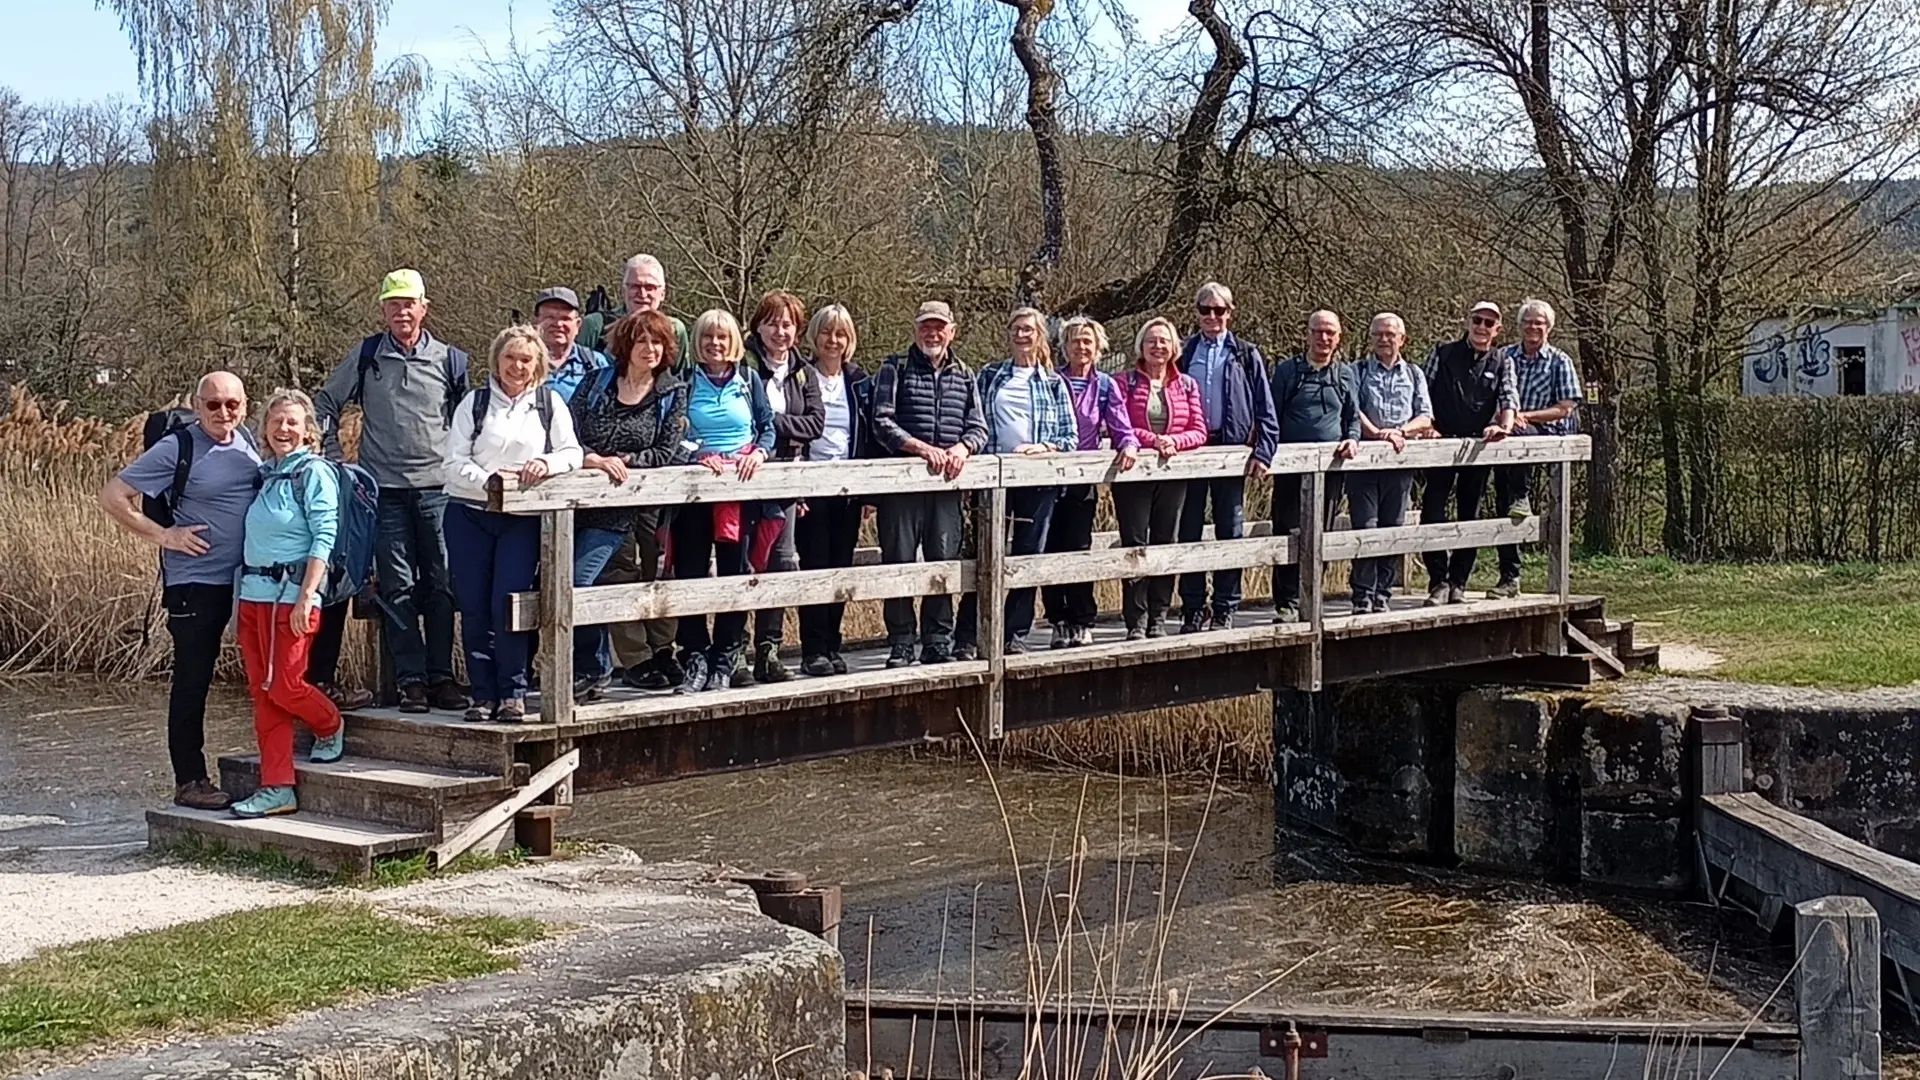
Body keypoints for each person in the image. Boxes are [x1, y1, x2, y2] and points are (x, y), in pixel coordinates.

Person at [98, 372, 261, 810]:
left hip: (248, 579)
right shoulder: (178, 446)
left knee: (269, 671)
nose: (223, 413)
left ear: (245, 405)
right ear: (196, 404)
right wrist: (165, 536)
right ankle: (190, 779)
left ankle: (280, 764)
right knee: (193, 679)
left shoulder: (247, 440)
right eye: (213, 405)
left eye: (232, 404)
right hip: (196, 582)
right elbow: (112, 496)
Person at [314, 269, 469, 715]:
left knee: (441, 585)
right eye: (394, 304)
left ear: (424, 307)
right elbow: (325, 403)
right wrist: (336, 458)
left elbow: (466, 421)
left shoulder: (450, 360)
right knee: (397, 587)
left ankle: (442, 676)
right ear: (383, 309)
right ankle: (411, 681)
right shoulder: (366, 356)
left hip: (439, 490)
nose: (402, 311)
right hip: (383, 493)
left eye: (409, 303)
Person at [443, 325, 583, 722]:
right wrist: (485, 480)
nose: (517, 366)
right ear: (497, 360)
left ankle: (513, 693)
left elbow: (572, 453)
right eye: (510, 358)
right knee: (473, 607)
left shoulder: (548, 403)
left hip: (522, 520)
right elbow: (451, 462)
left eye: (526, 359)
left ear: (537, 363)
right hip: (471, 515)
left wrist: (546, 463)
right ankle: (482, 694)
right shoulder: (475, 402)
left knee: (510, 605)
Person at [229, 390, 346, 818]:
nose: (283, 429)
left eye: (293, 422)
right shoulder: (265, 475)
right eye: (276, 421)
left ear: (308, 430)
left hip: (293, 597)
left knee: (285, 686)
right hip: (254, 596)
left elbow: (325, 536)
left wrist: (306, 596)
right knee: (263, 694)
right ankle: (277, 786)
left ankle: (329, 723)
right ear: (263, 429)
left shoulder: (314, 473)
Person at [568, 311, 689, 701]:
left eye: (657, 342)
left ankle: (626, 661)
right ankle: (602, 666)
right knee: (587, 582)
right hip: (584, 505)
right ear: (626, 345)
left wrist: (625, 461)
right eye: (642, 341)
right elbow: (565, 435)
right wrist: (591, 459)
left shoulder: (671, 392)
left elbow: (666, 451)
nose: (650, 349)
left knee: (637, 579)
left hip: (641, 507)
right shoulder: (596, 382)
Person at [870, 300, 989, 668]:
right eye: (925, 326)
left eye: (939, 327)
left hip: (946, 487)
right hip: (902, 486)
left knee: (943, 562)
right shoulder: (895, 368)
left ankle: (938, 639)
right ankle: (902, 642)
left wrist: (961, 448)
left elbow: (979, 427)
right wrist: (921, 449)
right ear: (915, 329)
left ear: (952, 331)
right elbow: (882, 421)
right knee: (900, 563)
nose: (932, 333)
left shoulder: (966, 374)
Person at [955, 307, 1077, 655]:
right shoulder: (991, 375)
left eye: (1029, 330)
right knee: (982, 554)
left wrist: (1044, 447)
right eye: (1016, 329)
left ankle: (1013, 634)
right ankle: (968, 635)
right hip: (992, 477)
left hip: (1037, 480)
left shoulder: (1054, 382)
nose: (1022, 335)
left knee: (1028, 556)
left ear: (1041, 336)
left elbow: (1069, 437)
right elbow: (973, 423)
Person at [672, 309, 777, 694]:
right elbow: (674, 435)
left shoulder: (749, 381)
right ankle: (695, 656)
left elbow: (768, 428)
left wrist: (759, 455)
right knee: (691, 573)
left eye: (721, 337)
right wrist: (698, 455)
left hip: (740, 492)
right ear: (697, 342)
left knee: (736, 573)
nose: (714, 344)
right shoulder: (683, 384)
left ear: (733, 342)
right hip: (695, 492)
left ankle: (725, 658)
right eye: (706, 337)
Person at [1176, 282, 1279, 632]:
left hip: (1231, 452)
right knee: (1187, 530)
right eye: (1205, 310)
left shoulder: (1245, 353)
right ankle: (1192, 606)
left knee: (1230, 530)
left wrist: (1264, 451)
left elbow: (1265, 406)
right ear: (1197, 313)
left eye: (1219, 310)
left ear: (1230, 313)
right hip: (1191, 451)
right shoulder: (1184, 353)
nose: (1212, 317)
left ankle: (1224, 606)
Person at [1041, 316, 1138, 648]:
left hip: (1083, 478)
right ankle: (1058, 620)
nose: (1081, 347)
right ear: (1064, 347)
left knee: (1079, 546)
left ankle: (1082, 619)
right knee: (1051, 548)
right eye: (1074, 342)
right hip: (1050, 476)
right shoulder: (1052, 381)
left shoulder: (1105, 386)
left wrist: (1128, 444)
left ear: (1098, 349)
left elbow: (1119, 424)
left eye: (1087, 342)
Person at [743, 290, 824, 686]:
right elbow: (739, 420)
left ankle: (768, 650)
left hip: (788, 481)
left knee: (782, 563)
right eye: (773, 322)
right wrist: (765, 426)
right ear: (758, 326)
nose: (780, 331)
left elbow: (815, 425)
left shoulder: (803, 371)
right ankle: (734, 650)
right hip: (745, 477)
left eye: (788, 324)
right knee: (742, 562)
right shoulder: (743, 367)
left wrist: (770, 422)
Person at [1116, 318, 1208, 639]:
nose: (1158, 346)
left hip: (1172, 473)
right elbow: (1120, 426)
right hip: (1133, 476)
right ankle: (1136, 619)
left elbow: (1199, 430)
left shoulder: (1186, 385)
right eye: (1151, 341)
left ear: (1174, 348)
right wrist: (1154, 440)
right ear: (1141, 346)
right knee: (1134, 544)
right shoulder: (1123, 382)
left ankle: (1159, 616)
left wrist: (1174, 442)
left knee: (1166, 542)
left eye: (1164, 341)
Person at [1421, 300, 1518, 606]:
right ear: (1468, 322)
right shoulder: (1442, 353)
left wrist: (1503, 426)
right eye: (1477, 320)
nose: (1481, 327)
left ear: (1498, 330)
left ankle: (1459, 581)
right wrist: (1426, 426)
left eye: (1489, 323)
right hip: (1440, 446)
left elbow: (1509, 398)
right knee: (1433, 512)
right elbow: (1423, 394)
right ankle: (1438, 581)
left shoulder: (1502, 361)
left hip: (1477, 450)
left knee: (1470, 515)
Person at [1269, 310, 1361, 624]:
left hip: (1329, 470)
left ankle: (1312, 597)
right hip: (1291, 467)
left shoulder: (1346, 374)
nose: (1323, 338)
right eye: (1317, 332)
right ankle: (1286, 603)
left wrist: (1351, 438)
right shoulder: (1287, 372)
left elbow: (1352, 417)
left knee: (1323, 533)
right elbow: (1272, 417)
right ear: (1307, 334)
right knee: (1288, 532)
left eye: (1329, 333)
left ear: (1339, 337)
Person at [794, 304, 871, 676]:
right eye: (827, 332)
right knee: (814, 566)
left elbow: (869, 433)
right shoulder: (801, 376)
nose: (833, 340)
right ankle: (812, 649)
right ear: (815, 337)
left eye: (840, 334)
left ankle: (832, 644)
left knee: (840, 567)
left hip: (849, 486)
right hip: (812, 485)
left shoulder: (858, 381)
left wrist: (869, 491)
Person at [1488, 298, 1582, 599]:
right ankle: (1509, 576)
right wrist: (1506, 418)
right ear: (1519, 326)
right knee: (1503, 505)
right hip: (1509, 429)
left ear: (1549, 328)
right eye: (1527, 322)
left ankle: (1522, 493)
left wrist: (1525, 416)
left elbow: (1565, 408)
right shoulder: (1505, 356)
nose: (1532, 327)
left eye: (1538, 323)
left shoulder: (1559, 361)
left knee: (1516, 494)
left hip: (1544, 430)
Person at [1351, 313, 1434, 613]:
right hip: (1363, 465)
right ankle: (1362, 595)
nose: (1383, 340)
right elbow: (1352, 409)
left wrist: (1401, 432)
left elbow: (1425, 416)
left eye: (1389, 334)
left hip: (1400, 463)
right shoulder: (1357, 370)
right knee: (1366, 526)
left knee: (1392, 527)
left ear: (1402, 339)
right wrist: (1376, 433)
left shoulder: (1413, 374)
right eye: (1377, 334)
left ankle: (1383, 594)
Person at [579, 254, 692, 370]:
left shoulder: (675, 330)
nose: (642, 294)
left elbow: (683, 378)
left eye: (650, 287)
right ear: (624, 290)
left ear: (662, 293)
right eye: (635, 286)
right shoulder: (595, 326)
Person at [533, 286, 609, 404]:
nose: (558, 324)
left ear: (578, 325)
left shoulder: (597, 364)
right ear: (535, 322)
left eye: (565, 318)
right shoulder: (520, 362)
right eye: (550, 317)